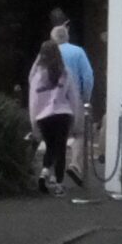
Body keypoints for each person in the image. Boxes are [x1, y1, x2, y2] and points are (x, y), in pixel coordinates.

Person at [27, 40, 76, 195]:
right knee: (60, 149)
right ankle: (59, 184)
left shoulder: (37, 74)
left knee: (50, 146)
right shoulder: (65, 72)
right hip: (62, 113)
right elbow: (72, 95)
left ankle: (44, 172)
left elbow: (34, 99)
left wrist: (33, 120)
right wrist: (75, 115)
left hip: (43, 116)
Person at [50, 23, 95, 184]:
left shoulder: (48, 54)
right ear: (67, 37)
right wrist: (86, 97)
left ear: (53, 39)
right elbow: (88, 76)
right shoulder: (78, 52)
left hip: (53, 101)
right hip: (74, 99)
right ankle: (75, 164)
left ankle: (55, 173)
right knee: (79, 134)